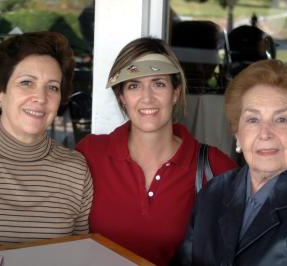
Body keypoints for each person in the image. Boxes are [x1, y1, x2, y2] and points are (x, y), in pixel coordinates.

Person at [75, 37, 238, 265]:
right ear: (122, 96)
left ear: (175, 92)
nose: (147, 97)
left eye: (158, 83)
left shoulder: (215, 167)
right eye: (134, 85)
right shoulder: (90, 154)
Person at [172, 59, 287, 265]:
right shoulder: (213, 191)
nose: (265, 134)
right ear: (237, 133)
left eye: (281, 119)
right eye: (253, 120)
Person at [0, 32, 93, 254]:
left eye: (52, 87)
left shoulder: (76, 170)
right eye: (26, 83)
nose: (41, 97)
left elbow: (77, 255)